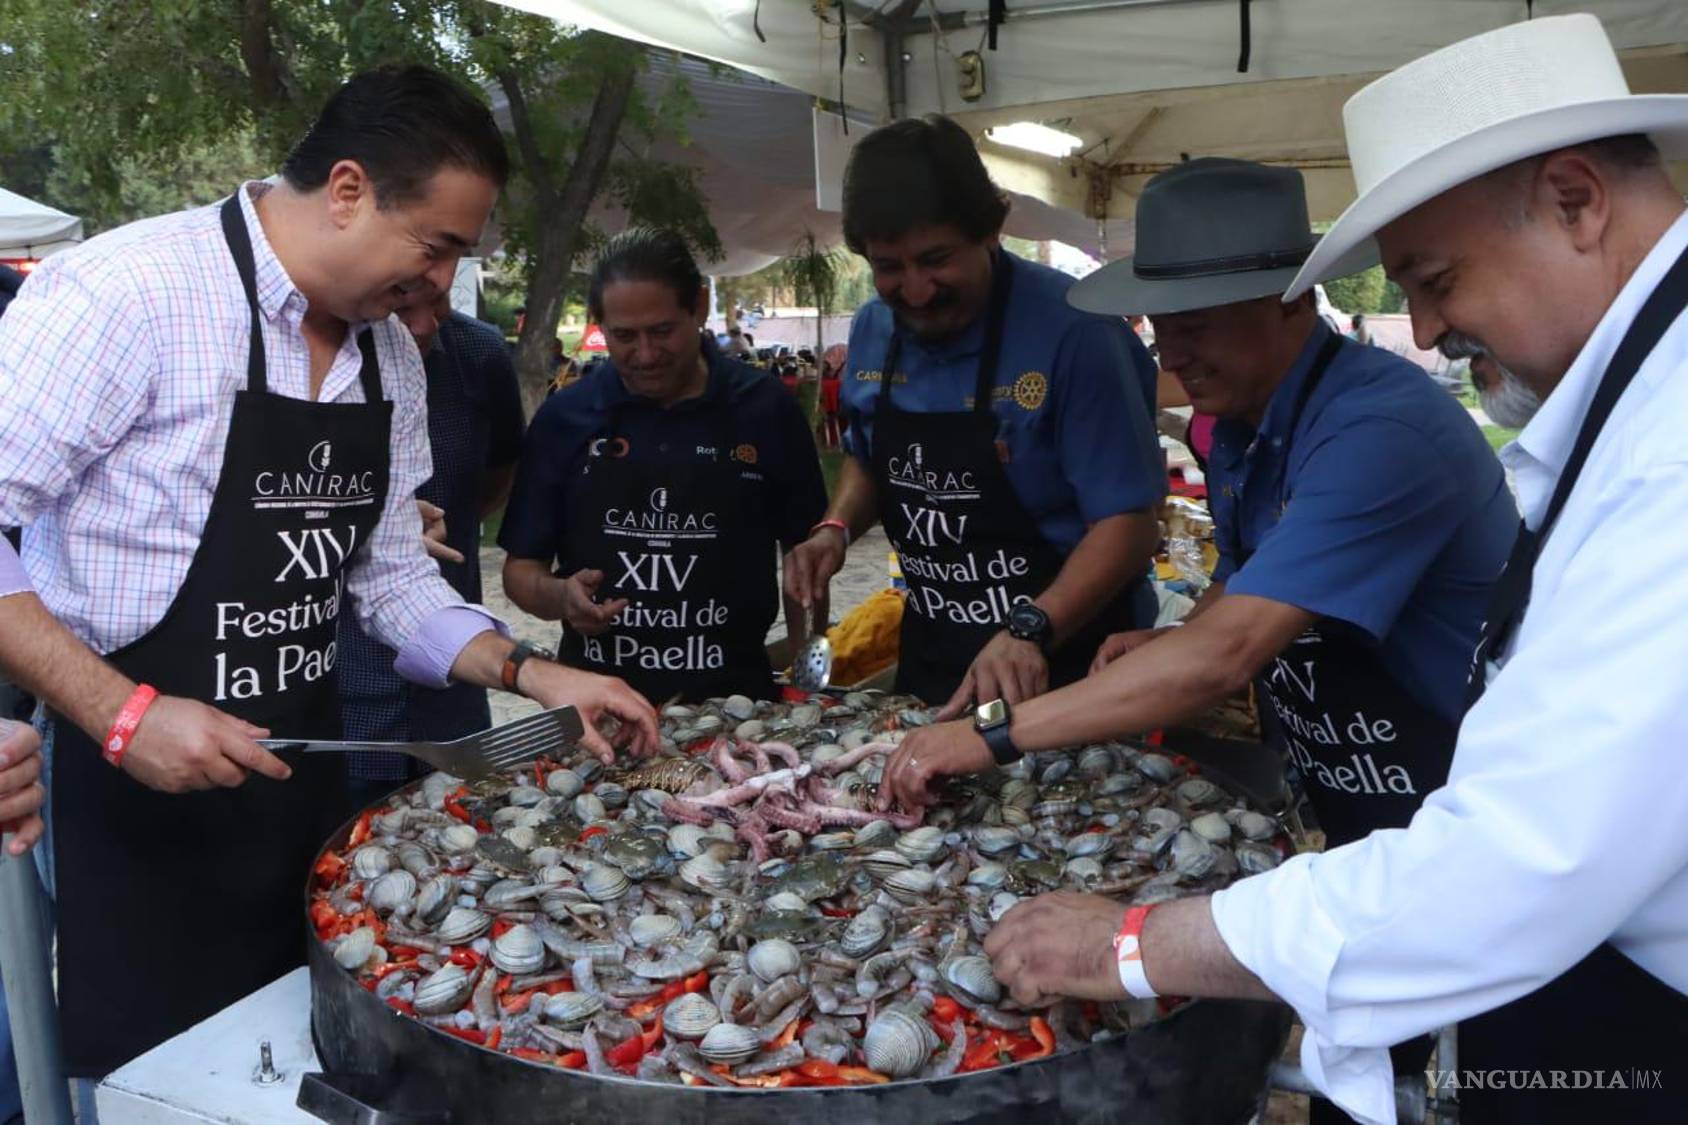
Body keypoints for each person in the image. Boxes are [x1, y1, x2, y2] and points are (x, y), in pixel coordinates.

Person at [978, 17, 1688, 1124]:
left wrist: (1128, 942)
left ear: (1573, 199)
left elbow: (1509, 867)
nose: (1421, 324)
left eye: (1435, 277)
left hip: (1618, 990)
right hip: (1524, 931)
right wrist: (1167, 642)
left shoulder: (1669, 451)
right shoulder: (1637, 394)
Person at [0, 65, 658, 1086]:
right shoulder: (129, 292)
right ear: (347, 189)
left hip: (297, 793)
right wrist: (122, 713)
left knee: (303, 1073)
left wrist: (536, 677)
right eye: (433, 246)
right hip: (128, 811)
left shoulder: (387, 357)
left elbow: (392, 583)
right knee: (160, 1091)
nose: (441, 282)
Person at [882, 155, 1518, 1122]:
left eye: (1198, 328)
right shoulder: (1245, 422)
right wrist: (1171, 634)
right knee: (1366, 1079)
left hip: (1461, 823)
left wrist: (992, 733)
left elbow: (1229, 657)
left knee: (1465, 1084)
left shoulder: (1382, 428)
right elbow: (1238, 589)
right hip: (1354, 819)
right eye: (1164, 333)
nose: (1176, 365)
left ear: (1289, 299)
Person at [783, 115, 1164, 710]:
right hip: (937, 654)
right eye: (889, 267)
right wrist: (834, 530)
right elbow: (868, 454)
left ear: (991, 229)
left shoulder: (1079, 335)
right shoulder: (873, 328)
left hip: (1070, 665)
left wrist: (1029, 630)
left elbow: (1130, 526)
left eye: (935, 259)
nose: (914, 290)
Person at [500, 228, 827, 703]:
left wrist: (806, 671)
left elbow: (805, 557)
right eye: (624, 337)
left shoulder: (764, 408)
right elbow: (520, 570)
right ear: (599, 323)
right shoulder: (565, 417)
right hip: (595, 703)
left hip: (734, 703)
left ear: (698, 304)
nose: (646, 355)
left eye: (662, 331)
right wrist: (559, 598)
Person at [339, 289, 525, 810]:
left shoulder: (481, 356)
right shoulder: (314, 354)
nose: (420, 328)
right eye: (400, 309)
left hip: (454, 687)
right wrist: (377, 536)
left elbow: (500, 470)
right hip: (342, 697)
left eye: (437, 304)